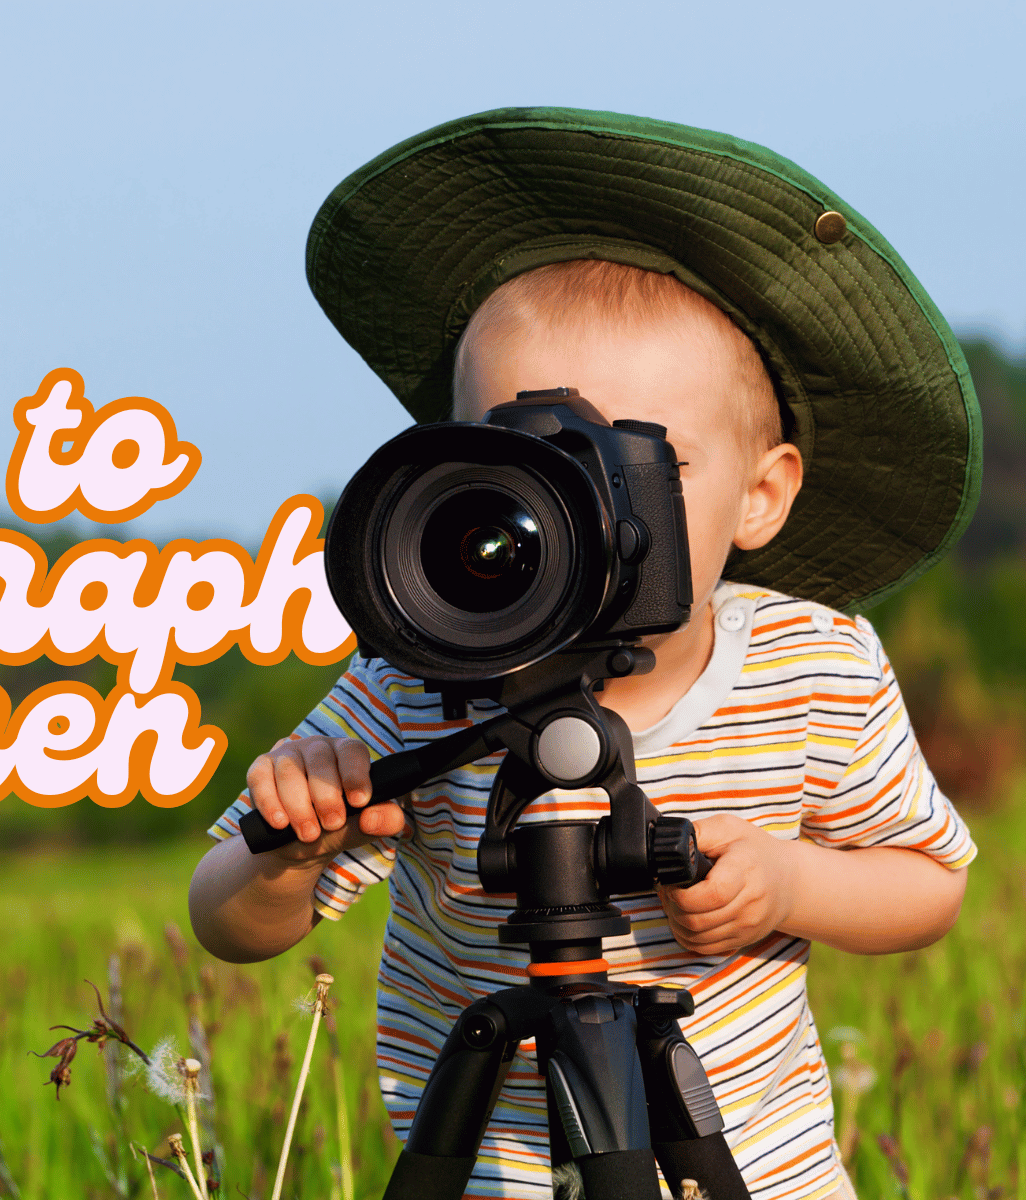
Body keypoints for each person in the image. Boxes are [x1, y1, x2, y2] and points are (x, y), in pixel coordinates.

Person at [188, 109, 981, 1200]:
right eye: (527, 474)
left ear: (762, 494)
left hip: (760, 1167)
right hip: (495, 1174)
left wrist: (791, 883)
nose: (583, 522)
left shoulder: (814, 666)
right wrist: (283, 852)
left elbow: (929, 885)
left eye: (637, 470)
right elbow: (227, 923)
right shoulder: (418, 685)